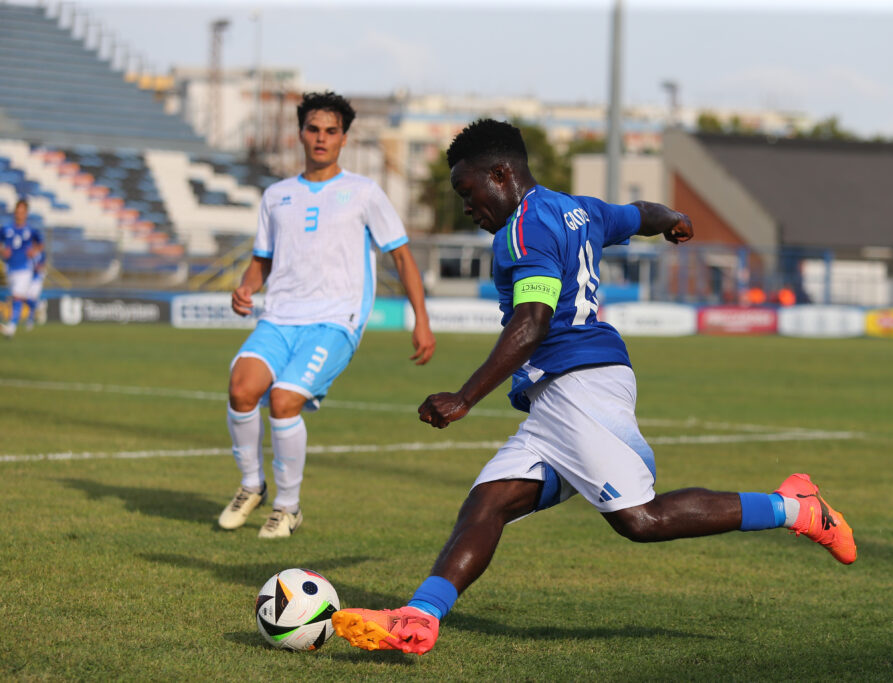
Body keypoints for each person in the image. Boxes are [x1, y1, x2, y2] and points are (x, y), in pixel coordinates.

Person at [331, 119, 857, 655]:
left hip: (578, 384)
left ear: (501, 173)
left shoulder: (525, 228)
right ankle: (420, 616)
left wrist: (464, 398)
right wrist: (673, 218)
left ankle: (796, 507)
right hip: (561, 393)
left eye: (468, 192)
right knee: (487, 506)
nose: (468, 206)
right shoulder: (575, 208)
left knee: (641, 519)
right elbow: (640, 215)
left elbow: (532, 321)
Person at [218, 91, 436, 538]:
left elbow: (402, 257)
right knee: (241, 389)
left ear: (344, 138)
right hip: (279, 317)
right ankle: (250, 485)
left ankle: (288, 506)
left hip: (335, 321)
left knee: (283, 402)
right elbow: (261, 260)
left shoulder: (363, 193)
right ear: (300, 133)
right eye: (313, 129)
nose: (321, 138)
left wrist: (422, 320)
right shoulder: (277, 196)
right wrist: (246, 287)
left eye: (331, 131)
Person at [1, 198, 44, 339]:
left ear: (26, 213)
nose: (19, 214)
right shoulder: (6, 229)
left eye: (22, 212)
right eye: (17, 212)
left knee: (17, 296)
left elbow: (40, 244)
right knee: (17, 297)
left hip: (25, 268)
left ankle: (11, 328)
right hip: (10, 267)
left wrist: (34, 251)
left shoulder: (31, 231)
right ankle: (35, 305)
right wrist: (2, 250)